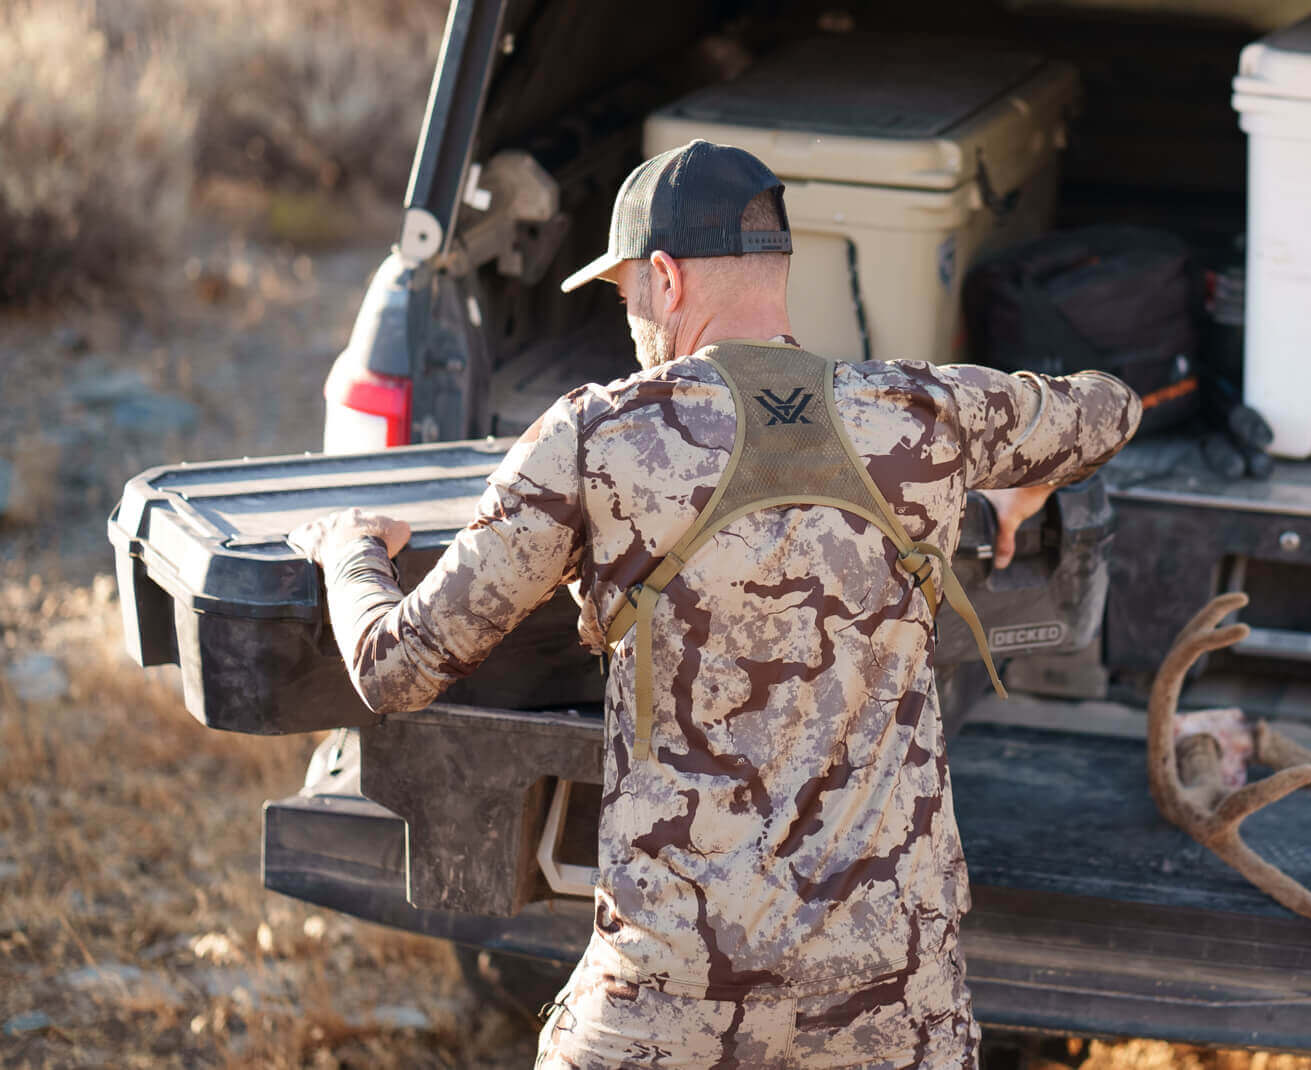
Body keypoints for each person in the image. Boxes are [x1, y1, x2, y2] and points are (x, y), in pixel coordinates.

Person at [290, 140, 1142, 1068]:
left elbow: (394, 670)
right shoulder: (924, 411)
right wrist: (1024, 483)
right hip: (891, 991)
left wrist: (350, 549)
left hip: (669, 995)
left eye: (626, 300)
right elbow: (1110, 409)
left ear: (665, 279)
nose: (632, 324)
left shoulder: (592, 437)